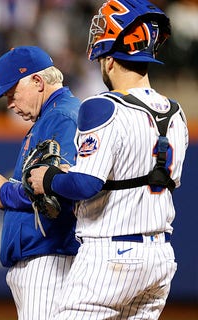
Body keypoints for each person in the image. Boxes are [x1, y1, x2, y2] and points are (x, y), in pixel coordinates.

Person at [27, 0, 188, 318]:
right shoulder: (176, 112)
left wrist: (48, 178)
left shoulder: (103, 106)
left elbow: (86, 184)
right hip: (159, 258)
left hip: (111, 255)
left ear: (110, 60)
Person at [0, 46, 80, 320]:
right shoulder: (50, 117)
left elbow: (59, 186)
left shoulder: (61, 117)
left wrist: (4, 191)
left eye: (12, 94)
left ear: (37, 81)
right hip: (44, 258)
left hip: (51, 259)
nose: (10, 103)